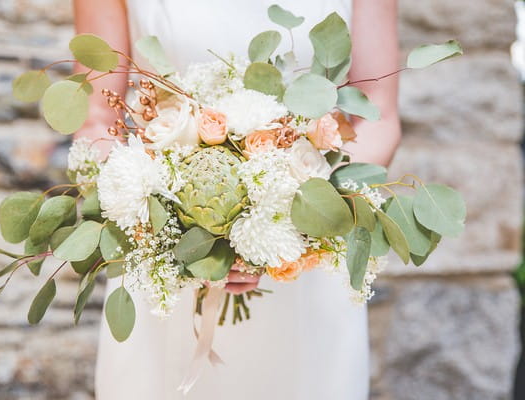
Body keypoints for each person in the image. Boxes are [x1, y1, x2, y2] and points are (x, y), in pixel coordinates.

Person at [73, 0, 400, 399]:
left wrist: (292, 220)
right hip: (165, 257)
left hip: (308, 254)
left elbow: (378, 111)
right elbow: (96, 120)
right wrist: (174, 229)